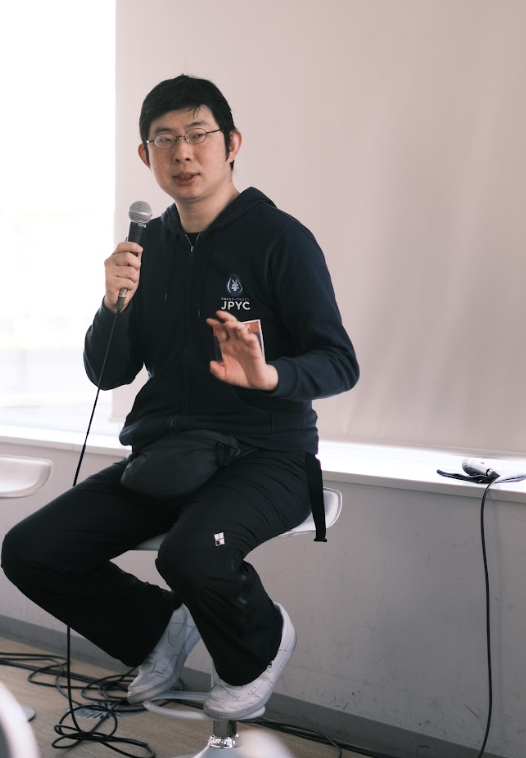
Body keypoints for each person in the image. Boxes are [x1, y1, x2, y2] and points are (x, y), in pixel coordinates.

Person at [1, 74, 359, 721]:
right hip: (167, 455)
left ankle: (259, 643)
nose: (182, 153)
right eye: (164, 140)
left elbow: (339, 363)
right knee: (31, 551)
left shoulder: (279, 239)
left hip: (268, 456)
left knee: (191, 553)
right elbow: (106, 373)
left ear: (231, 144)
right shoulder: (148, 248)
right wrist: (111, 305)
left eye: (197, 135)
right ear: (146, 155)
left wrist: (270, 377)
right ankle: (158, 631)